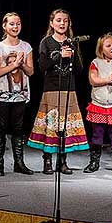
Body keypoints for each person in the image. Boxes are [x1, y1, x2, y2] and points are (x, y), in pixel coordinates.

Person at [28, 9, 89, 174]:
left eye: (66, 21)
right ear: (52, 23)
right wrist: (58, 56)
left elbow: (79, 69)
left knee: (65, 126)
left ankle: (62, 161)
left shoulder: (72, 42)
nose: (62, 24)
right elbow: (42, 67)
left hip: (69, 88)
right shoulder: (46, 42)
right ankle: (47, 160)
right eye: (59, 20)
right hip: (52, 89)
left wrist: (72, 54)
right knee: (51, 124)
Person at [0, 12, 34, 176]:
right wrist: (13, 64)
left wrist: (21, 64)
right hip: (2, 95)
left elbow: (30, 72)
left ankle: (19, 162)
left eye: (18, 24)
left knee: (18, 128)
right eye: (11, 24)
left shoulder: (26, 46)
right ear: (5, 26)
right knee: (1, 127)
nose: (15, 27)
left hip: (20, 95)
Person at [83, 32, 112, 174]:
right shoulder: (95, 63)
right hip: (98, 105)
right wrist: (108, 80)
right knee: (97, 134)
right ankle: (94, 162)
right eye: (108, 45)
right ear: (101, 48)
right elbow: (93, 80)